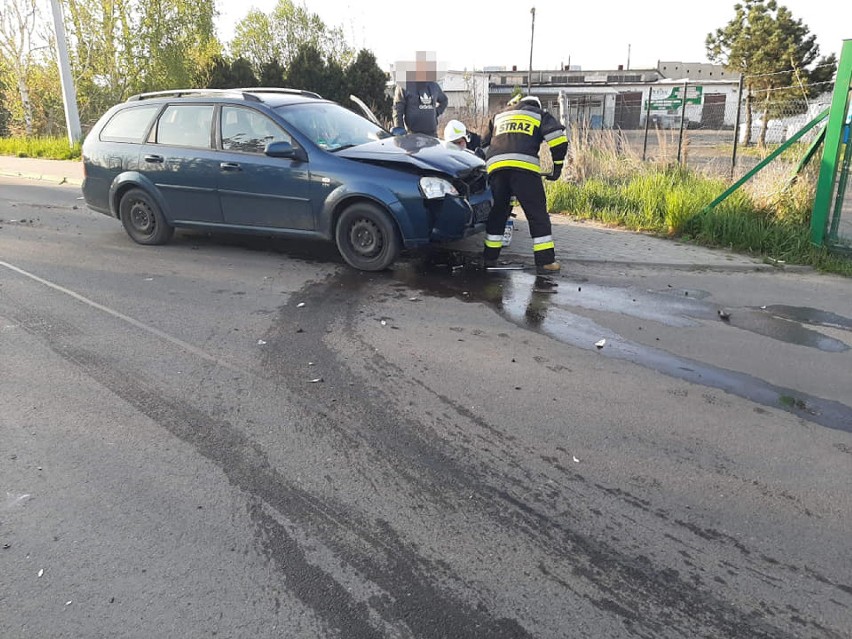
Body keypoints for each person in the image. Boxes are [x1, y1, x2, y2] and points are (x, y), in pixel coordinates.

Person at [481, 95, 568, 274]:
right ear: (536, 105)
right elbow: (558, 140)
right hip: (524, 171)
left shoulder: (500, 116)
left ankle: (489, 257)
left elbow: (483, 145)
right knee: (537, 215)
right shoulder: (539, 114)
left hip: (496, 169)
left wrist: (489, 165)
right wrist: (557, 167)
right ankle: (545, 262)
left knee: (498, 213)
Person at [392, 51, 448, 137]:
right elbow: (397, 110)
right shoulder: (404, 85)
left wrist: (436, 112)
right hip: (412, 136)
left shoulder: (433, 85)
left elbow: (444, 100)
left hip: (432, 136)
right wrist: (400, 131)